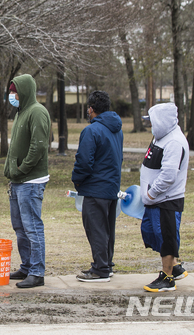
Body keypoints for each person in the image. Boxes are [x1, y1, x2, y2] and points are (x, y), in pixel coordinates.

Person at [4, 74, 51, 288]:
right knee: (20, 227)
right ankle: (26, 266)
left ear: (24, 92)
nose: (12, 95)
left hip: (31, 181)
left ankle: (37, 272)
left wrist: (22, 169)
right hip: (18, 181)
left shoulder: (37, 112)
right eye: (11, 91)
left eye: (15, 91)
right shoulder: (21, 112)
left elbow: (39, 146)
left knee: (32, 227)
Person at [72, 90, 123, 283]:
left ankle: (100, 269)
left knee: (96, 229)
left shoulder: (91, 131)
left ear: (91, 109)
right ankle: (107, 264)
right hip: (111, 187)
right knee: (108, 228)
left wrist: (77, 180)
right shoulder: (117, 129)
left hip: (94, 188)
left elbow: (84, 161)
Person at [139, 102, 189, 292]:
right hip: (154, 200)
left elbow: (169, 175)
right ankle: (174, 266)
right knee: (153, 233)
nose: (150, 126)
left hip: (165, 199)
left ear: (162, 121)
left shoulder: (174, 142)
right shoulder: (161, 137)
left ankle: (167, 278)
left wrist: (152, 192)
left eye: (152, 122)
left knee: (166, 237)